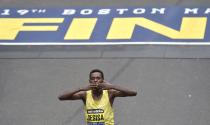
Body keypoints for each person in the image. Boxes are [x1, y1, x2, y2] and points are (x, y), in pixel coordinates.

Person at [58, 69, 137, 125]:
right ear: (89, 81)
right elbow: (61, 97)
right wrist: (80, 88)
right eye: (93, 78)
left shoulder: (110, 93)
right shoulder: (85, 94)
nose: (95, 80)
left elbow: (133, 93)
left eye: (98, 78)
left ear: (103, 81)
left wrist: (112, 86)